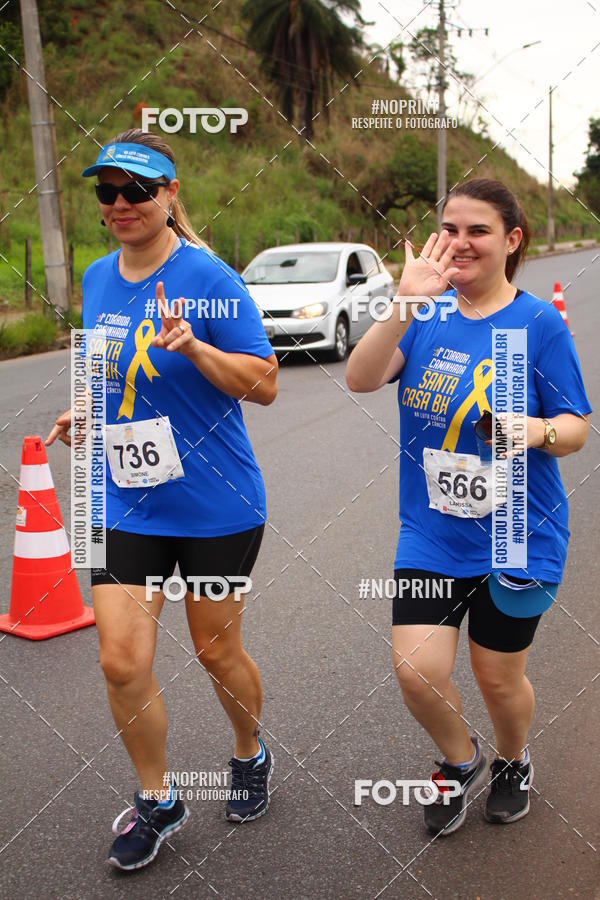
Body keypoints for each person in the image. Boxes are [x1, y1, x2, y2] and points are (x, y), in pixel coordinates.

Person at [45, 129, 278, 870]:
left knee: (215, 650)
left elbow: (265, 384)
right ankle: (158, 800)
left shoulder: (210, 279)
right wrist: (82, 411)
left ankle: (248, 751)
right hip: (124, 500)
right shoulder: (95, 276)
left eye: (138, 190)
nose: (121, 204)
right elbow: (100, 364)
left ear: (170, 195)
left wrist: (197, 348)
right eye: (107, 192)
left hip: (217, 505)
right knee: (121, 661)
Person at [346, 178, 591, 836]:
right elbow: (361, 377)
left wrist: (530, 430)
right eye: (449, 228)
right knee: (416, 671)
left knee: (496, 677)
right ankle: (460, 760)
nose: (459, 243)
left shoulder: (538, 323)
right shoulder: (424, 314)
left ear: (511, 241)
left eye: (477, 230)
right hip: (431, 533)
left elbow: (574, 427)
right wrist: (403, 302)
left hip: (519, 534)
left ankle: (513, 760)